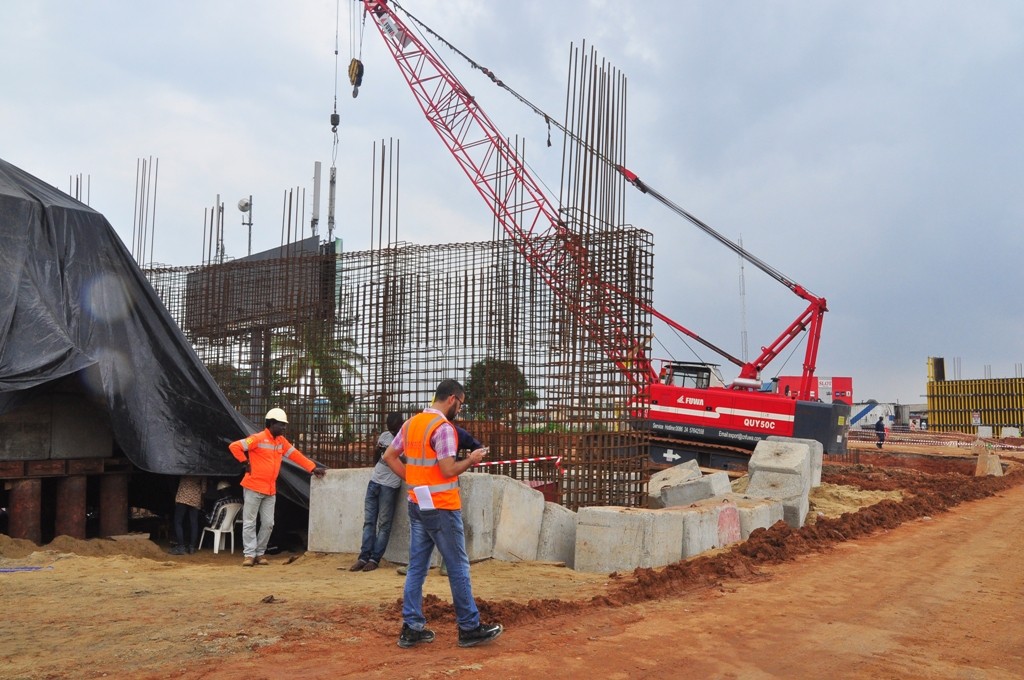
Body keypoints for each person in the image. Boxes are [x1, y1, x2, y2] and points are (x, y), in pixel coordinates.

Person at [382, 379, 503, 649]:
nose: (459, 410)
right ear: (452, 399)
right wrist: (471, 460)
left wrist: (413, 482)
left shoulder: (411, 424)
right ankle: (469, 627)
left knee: (417, 567)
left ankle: (411, 627)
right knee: (458, 566)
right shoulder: (444, 428)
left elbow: (389, 456)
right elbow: (448, 470)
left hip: (418, 504)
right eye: (460, 404)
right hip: (443, 507)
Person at [228, 407, 327, 567]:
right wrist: (244, 462)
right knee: (249, 522)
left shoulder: (281, 442)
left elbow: (295, 455)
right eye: (281, 424)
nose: (284, 428)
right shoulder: (257, 438)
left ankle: (259, 553)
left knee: (268, 523)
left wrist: (312, 468)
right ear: (272, 424)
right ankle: (249, 555)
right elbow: (235, 446)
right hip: (253, 487)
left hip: (270, 489)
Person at [349, 412, 405, 573]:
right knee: (369, 522)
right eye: (391, 429)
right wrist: (381, 453)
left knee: (384, 524)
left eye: (395, 430)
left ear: (401, 425)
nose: (393, 433)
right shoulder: (384, 436)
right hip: (375, 481)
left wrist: (390, 453)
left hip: (390, 485)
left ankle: (374, 559)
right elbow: (376, 455)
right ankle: (363, 557)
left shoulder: (405, 440)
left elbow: (407, 460)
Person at [170, 476, 206, 555]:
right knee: (194, 523)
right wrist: (201, 500)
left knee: (178, 521)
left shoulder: (185, 465)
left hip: (183, 497)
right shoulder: (202, 469)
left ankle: (181, 547)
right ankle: (192, 547)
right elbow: (204, 489)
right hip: (195, 498)